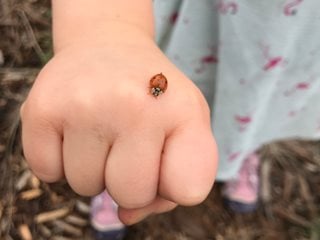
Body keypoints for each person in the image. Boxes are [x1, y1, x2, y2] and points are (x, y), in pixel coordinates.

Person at [20, 0, 320, 239]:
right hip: (173, 23)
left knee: (253, 105)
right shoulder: (155, 84)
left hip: (296, 42)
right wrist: (101, 32)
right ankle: (122, 163)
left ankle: (240, 148)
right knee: (150, 111)